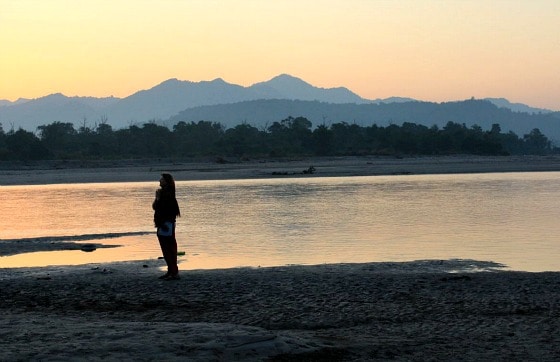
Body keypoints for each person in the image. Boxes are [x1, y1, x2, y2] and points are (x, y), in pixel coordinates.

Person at [152, 173, 181, 280]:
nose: (159, 180)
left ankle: (173, 272)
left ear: (166, 181)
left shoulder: (167, 194)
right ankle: (171, 271)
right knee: (168, 248)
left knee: (168, 248)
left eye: (161, 179)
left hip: (166, 224)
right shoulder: (164, 193)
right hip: (164, 223)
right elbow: (155, 207)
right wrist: (157, 198)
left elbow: (163, 209)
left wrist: (164, 223)